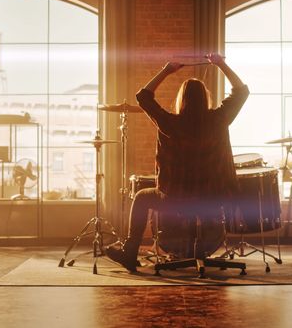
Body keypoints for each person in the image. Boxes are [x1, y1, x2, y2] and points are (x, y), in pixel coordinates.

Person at [105, 53, 248, 271]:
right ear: (205, 98)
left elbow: (143, 97)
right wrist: (221, 64)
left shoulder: (170, 123)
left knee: (142, 197)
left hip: (177, 199)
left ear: (182, 100)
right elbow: (242, 92)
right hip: (213, 197)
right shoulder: (219, 120)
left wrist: (167, 69)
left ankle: (130, 251)